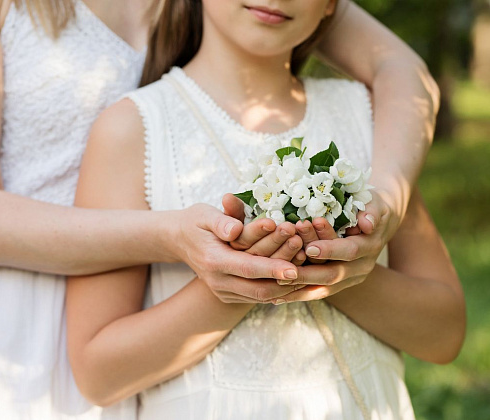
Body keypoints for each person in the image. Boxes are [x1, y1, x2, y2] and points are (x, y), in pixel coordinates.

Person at [0, 0, 439, 418]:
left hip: (158, 317)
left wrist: (382, 207)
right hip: (18, 322)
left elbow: (403, 71)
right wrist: (177, 239)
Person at [65, 0, 465, 418]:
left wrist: (337, 264)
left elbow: (445, 333)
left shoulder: (371, 118)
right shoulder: (133, 130)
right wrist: (244, 278)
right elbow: (99, 374)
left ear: (332, 5)